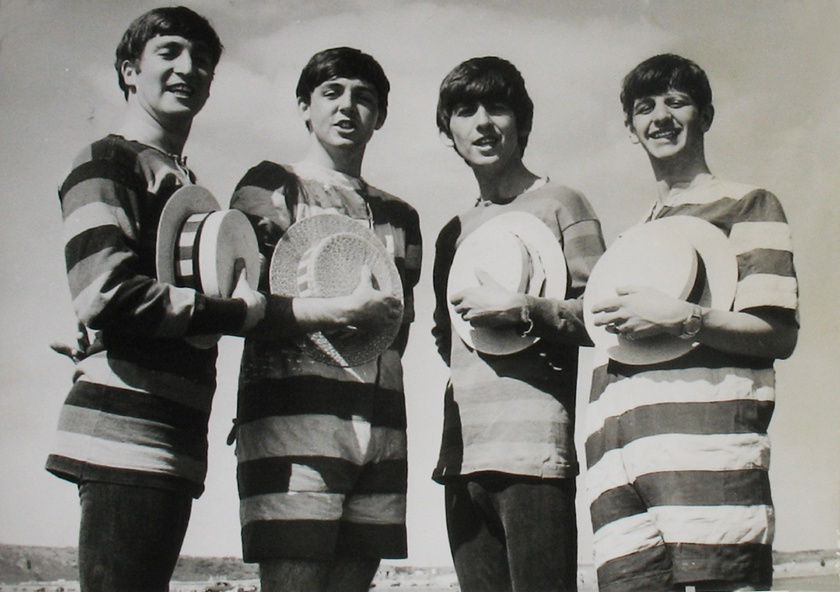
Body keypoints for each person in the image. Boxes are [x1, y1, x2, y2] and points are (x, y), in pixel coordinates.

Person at [45, 7, 268, 592]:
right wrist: (235, 314)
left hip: (169, 438)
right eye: (168, 52)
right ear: (128, 71)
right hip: (127, 440)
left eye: (202, 61)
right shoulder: (107, 159)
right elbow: (104, 292)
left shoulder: (178, 177)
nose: (187, 68)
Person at [585, 53, 799, 592]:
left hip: (704, 449)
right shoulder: (634, 233)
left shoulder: (748, 204)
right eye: (644, 107)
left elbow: (778, 333)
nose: (660, 116)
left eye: (676, 102)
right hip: (619, 455)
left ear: (704, 114)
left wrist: (684, 317)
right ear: (631, 128)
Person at [229, 47, 422, 592]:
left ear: (380, 116)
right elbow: (244, 306)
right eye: (331, 93)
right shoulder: (270, 186)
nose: (347, 108)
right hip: (291, 427)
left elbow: (397, 332)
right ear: (303, 107)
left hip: (381, 429)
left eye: (364, 98)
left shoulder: (401, 216)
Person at [431, 56, 606, 592]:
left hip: (536, 454)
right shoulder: (451, 232)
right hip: (460, 456)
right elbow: (447, 337)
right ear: (449, 132)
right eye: (465, 110)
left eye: (497, 107)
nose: (483, 122)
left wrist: (525, 312)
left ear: (522, 122)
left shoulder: (563, 203)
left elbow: (604, 316)